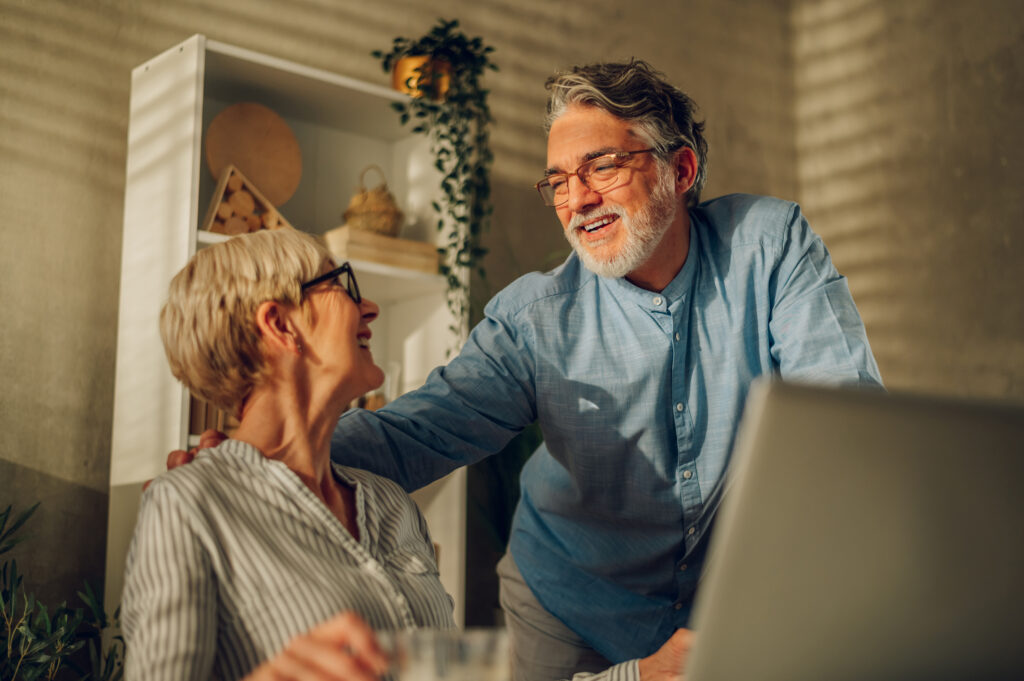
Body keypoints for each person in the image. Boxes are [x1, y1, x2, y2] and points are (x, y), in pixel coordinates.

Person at [171, 60, 883, 680]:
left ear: (682, 169)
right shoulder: (535, 316)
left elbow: (842, 426)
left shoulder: (772, 245)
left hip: (726, 610)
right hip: (565, 608)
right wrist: (255, 459)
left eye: (601, 165)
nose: (577, 199)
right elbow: (418, 433)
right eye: (559, 182)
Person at [121, 229, 455, 680]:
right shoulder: (188, 504)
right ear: (280, 325)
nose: (369, 307)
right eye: (342, 284)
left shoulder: (391, 503)